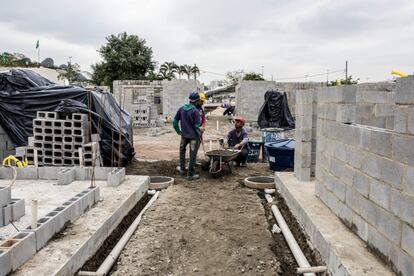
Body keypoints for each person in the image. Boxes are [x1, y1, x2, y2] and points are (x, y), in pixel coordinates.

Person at [173, 92, 203, 180]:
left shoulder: (181, 109)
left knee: (182, 151)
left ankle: (182, 169)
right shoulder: (195, 111)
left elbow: (174, 122)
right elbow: (197, 125)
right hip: (194, 136)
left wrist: (179, 131)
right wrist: (201, 129)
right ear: (197, 101)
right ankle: (190, 174)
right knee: (192, 154)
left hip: (184, 135)